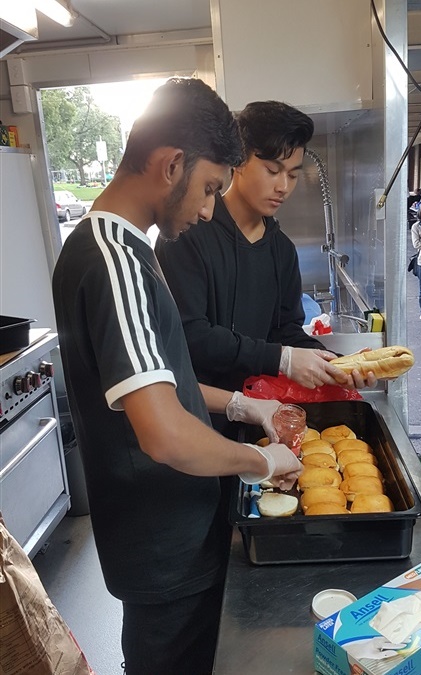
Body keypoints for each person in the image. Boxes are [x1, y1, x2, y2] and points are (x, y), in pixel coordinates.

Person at [52, 78, 305, 675]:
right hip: (162, 541)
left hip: (169, 531)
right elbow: (163, 433)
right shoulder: (116, 262)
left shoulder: (119, 250)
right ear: (171, 166)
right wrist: (260, 462)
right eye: (211, 187)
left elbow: (163, 387)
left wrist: (247, 408)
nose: (209, 208)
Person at [155, 100, 375, 441]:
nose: (283, 186)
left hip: (261, 420)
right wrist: (282, 359)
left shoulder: (281, 251)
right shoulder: (189, 232)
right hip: (197, 420)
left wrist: (338, 365)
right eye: (273, 171)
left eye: (293, 174)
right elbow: (189, 335)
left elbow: (286, 331)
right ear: (239, 159)